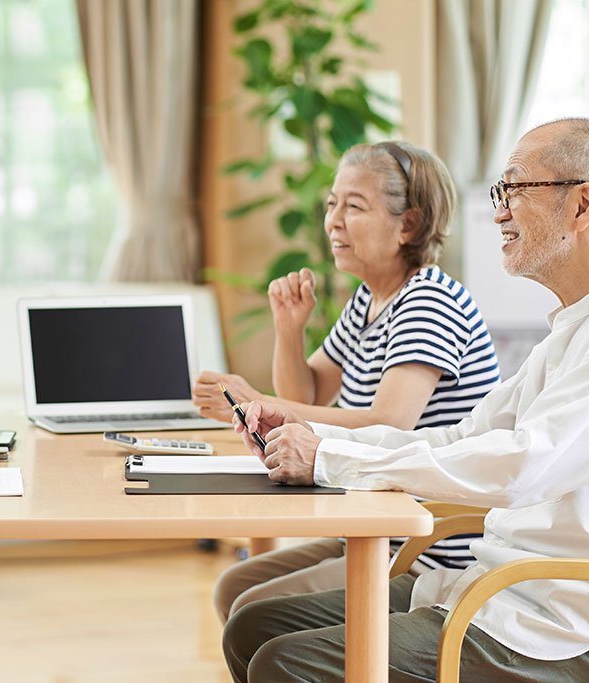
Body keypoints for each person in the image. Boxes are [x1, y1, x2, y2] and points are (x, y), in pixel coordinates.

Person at [222, 118, 589, 683]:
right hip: (496, 593)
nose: (500, 211)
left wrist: (329, 458)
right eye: (499, 192)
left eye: (515, 189)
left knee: (284, 662)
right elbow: (460, 438)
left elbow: (520, 467)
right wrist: (318, 439)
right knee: (250, 628)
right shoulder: (575, 332)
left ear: (583, 206)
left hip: (562, 633)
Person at [194, 141, 500, 622]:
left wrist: (262, 400)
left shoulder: (428, 301)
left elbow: (389, 423)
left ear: (409, 225)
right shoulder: (370, 300)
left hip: (424, 550)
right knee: (236, 584)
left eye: (354, 206)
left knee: (255, 607)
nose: (333, 220)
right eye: (332, 203)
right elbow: (306, 396)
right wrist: (289, 329)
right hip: (372, 529)